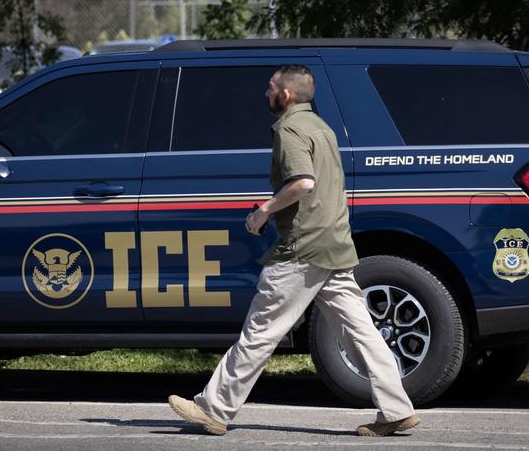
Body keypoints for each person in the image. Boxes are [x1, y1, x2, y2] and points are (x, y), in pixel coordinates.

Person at [168, 64, 419, 437]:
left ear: (285, 95)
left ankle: (214, 409)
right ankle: (397, 409)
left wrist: (264, 211)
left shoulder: (289, 129)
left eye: (270, 87)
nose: (266, 93)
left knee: (261, 330)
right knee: (362, 332)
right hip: (333, 243)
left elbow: (303, 182)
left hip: (302, 249)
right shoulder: (322, 127)